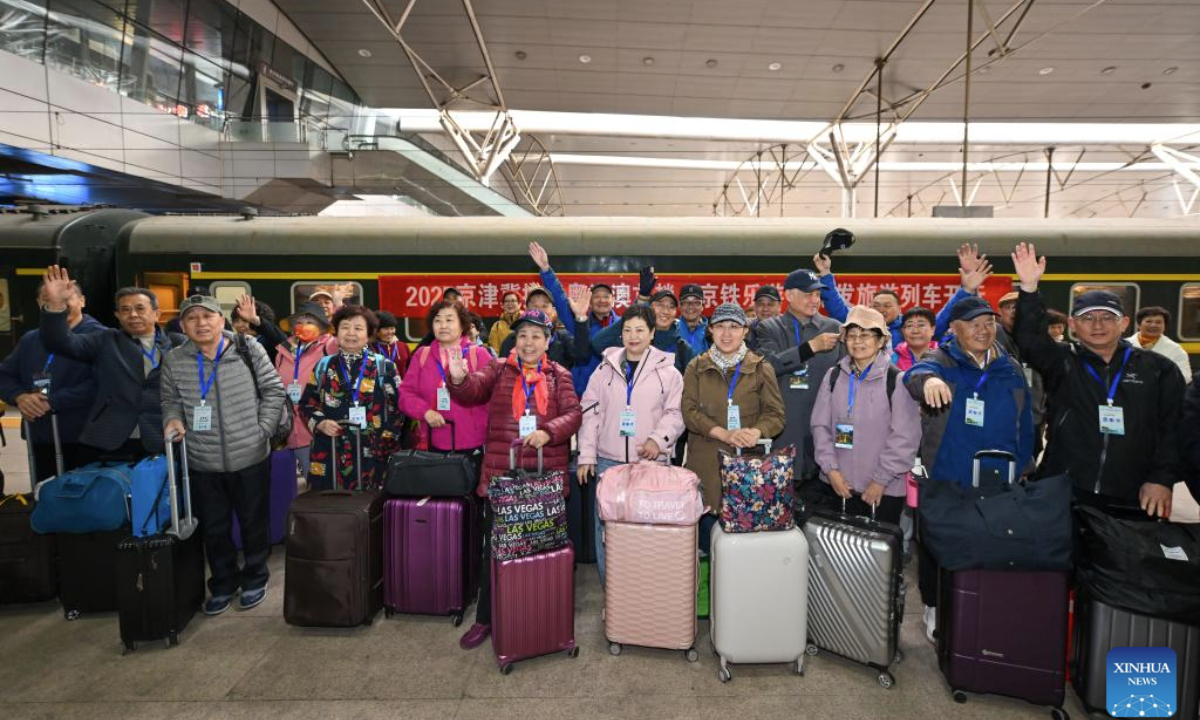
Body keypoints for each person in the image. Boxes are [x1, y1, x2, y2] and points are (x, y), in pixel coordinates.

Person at [1011, 243, 1183, 517]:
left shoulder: (1158, 369)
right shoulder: (1063, 361)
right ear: (1072, 325)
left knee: (1126, 559)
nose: (1098, 325)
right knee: (1064, 558)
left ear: (1124, 323)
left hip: (1134, 492)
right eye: (1087, 317)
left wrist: (1162, 479)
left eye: (1107, 317)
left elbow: (1173, 429)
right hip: (1066, 488)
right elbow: (1029, 340)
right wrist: (1029, 289)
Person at [444, 308, 582, 650]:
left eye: (536, 336)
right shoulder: (498, 369)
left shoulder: (559, 375)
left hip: (543, 481)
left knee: (544, 550)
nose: (529, 342)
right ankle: (486, 619)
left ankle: (541, 615)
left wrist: (548, 432)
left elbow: (573, 414)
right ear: (514, 340)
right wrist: (459, 379)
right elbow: (473, 391)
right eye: (523, 335)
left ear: (548, 341)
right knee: (495, 549)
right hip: (502, 479)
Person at [903, 294, 1034, 644]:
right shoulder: (941, 358)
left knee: (987, 543)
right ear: (955, 329)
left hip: (998, 477)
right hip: (949, 471)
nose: (983, 330)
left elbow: (1029, 417)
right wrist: (929, 382)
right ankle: (933, 605)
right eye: (974, 324)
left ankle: (978, 608)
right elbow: (917, 373)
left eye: (989, 323)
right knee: (937, 543)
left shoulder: (1009, 365)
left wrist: (1025, 462)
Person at [160, 295, 286, 615]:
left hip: (250, 453)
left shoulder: (247, 348)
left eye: (208, 316)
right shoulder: (175, 359)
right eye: (192, 318)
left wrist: (263, 430)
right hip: (203, 459)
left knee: (253, 521)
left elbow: (273, 390)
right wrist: (172, 419)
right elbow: (169, 400)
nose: (201, 323)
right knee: (213, 527)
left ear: (221, 320)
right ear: (182, 325)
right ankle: (222, 582)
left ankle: (255, 577)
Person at [577, 304, 685, 583]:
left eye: (640, 330)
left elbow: (676, 413)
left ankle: (643, 594)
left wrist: (657, 440)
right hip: (608, 462)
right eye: (627, 330)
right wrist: (587, 455)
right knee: (608, 533)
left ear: (652, 333)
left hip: (650, 464)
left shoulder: (669, 372)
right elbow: (590, 411)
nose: (633, 336)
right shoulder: (605, 368)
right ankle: (612, 597)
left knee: (647, 532)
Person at [38, 266, 182, 458]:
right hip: (113, 440)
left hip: (163, 436)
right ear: (118, 316)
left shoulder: (178, 344)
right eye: (125, 310)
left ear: (157, 314)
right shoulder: (105, 339)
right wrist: (56, 306)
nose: (133, 315)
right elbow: (60, 342)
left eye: (140, 308)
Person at [682, 303, 786, 552]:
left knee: (743, 549)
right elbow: (689, 412)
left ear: (745, 331)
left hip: (748, 468)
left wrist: (757, 431)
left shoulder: (761, 367)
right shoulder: (696, 367)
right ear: (710, 331)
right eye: (720, 327)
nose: (726, 334)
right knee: (705, 544)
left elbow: (775, 415)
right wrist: (723, 433)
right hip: (705, 464)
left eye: (733, 327)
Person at [810, 306, 921, 526]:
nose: (857, 341)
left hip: (884, 490)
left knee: (879, 555)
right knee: (841, 552)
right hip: (839, 486)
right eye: (852, 335)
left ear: (881, 341)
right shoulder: (833, 376)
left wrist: (880, 480)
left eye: (866, 335)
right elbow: (819, 426)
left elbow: (905, 438)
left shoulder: (897, 380)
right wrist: (831, 471)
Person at [0, 279, 102, 480]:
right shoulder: (31, 339)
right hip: (41, 435)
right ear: (40, 305)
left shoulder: (101, 337)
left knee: (87, 501)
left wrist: (52, 402)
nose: (58, 304)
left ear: (82, 301)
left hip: (86, 436)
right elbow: (4, 375)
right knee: (46, 497)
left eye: (65, 298)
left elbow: (101, 383)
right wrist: (20, 396)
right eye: (49, 300)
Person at [298, 305, 403, 491]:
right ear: (336, 332)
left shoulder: (385, 366)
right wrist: (321, 423)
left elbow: (399, 409)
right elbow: (307, 404)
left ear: (369, 334)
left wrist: (384, 443)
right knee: (331, 510)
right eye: (345, 327)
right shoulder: (323, 366)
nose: (351, 333)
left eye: (358, 328)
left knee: (369, 511)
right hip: (331, 452)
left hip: (373, 456)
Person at [753, 268, 842, 486]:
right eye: (808, 294)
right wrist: (810, 348)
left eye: (817, 295)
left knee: (824, 503)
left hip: (825, 430)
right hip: (786, 429)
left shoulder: (834, 328)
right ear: (789, 295)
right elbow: (766, 367)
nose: (814, 300)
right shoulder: (769, 328)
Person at [814, 243, 993, 346]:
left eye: (887, 306)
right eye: (876, 306)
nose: (881, 310)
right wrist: (826, 274)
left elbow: (947, 315)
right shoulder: (861, 325)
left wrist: (967, 290)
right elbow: (836, 307)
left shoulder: (910, 330)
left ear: (899, 309)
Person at [528, 241, 636, 394]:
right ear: (589, 302)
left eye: (606, 297)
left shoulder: (623, 326)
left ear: (613, 300)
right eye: (597, 297)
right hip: (584, 392)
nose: (602, 300)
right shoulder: (580, 324)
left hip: (616, 390)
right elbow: (560, 299)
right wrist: (546, 270)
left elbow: (639, 317)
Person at [398, 300, 494, 454]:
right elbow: (405, 394)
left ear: (462, 325)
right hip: (432, 441)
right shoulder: (422, 355)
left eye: (449, 320)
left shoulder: (479, 354)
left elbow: (492, 395)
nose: (443, 325)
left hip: (472, 443)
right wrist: (425, 412)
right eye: (438, 320)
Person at [272, 301, 338, 476]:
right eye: (299, 322)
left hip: (318, 431)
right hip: (288, 433)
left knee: (319, 489)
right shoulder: (282, 351)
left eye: (310, 322)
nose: (304, 326)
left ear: (322, 326)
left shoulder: (330, 346)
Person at [498, 287, 577, 368]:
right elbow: (503, 370)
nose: (539, 311)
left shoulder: (563, 338)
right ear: (527, 310)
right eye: (535, 306)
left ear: (554, 311)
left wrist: (581, 319)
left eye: (544, 306)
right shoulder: (511, 339)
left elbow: (582, 353)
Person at [1130, 306, 1192, 382]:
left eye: (1158, 322)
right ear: (1139, 325)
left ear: (1164, 326)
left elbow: (1185, 377)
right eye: (1148, 321)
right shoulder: (1124, 345)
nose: (1153, 325)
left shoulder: (1176, 349)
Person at [892, 307, 937, 371]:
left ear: (933, 329)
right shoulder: (893, 359)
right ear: (903, 331)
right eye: (910, 326)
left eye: (921, 325)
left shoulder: (943, 357)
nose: (915, 331)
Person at [373, 311, 412, 378]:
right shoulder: (371, 347)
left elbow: (411, 371)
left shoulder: (403, 346)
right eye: (385, 329)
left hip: (401, 388)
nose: (390, 332)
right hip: (378, 387)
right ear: (376, 330)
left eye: (392, 328)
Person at [676, 284, 709, 354]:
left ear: (702, 306)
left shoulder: (711, 332)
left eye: (696, 302)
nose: (690, 306)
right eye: (685, 302)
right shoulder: (671, 328)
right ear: (680, 306)